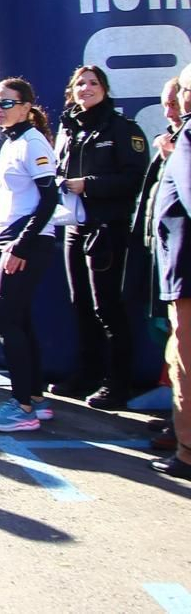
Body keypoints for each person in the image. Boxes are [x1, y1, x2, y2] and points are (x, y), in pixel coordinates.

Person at [52, 64, 149, 409]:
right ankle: (86, 374)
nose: (86, 88)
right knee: (80, 305)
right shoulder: (70, 128)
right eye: (80, 83)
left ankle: (117, 383)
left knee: (106, 307)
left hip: (108, 227)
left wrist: (88, 186)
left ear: (105, 89)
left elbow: (135, 179)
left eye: (93, 83)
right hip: (75, 226)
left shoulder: (123, 129)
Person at [0, 78, 62, 433]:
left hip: (29, 242)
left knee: (6, 319)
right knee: (19, 320)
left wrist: (20, 246)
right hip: (8, 240)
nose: (0, 109)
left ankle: (22, 405)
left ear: (27, 106)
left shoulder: (32, 142)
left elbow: (48, 198)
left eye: (8, 103)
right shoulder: (12, 143)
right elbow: (12, 202)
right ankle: (36, 399)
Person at [149, 65, 191, 477]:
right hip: (175, 263)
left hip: (185, 265)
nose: (172, 107)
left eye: (177, 98)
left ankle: (187, 450)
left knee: (184, 357)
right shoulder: (178, 141)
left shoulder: (187, 140)